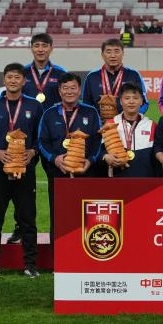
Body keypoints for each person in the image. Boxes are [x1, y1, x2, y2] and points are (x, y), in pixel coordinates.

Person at [0, 63, 44, 277]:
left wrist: (33, 151)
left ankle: (30, 265)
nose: (13, 80)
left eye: (17, 77)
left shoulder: (35, 106)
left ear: (24, 81)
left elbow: (42, 137)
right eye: (9, 77)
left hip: (25, 172)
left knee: (27, 219)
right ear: (4, 80)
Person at [38, 74, 102, 222]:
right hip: (58, 173)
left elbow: (98, 141)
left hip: (85, 172)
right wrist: (54, 159)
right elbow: (42, 141)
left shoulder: (91, 112)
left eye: (73, 88)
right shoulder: (49, 113)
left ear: (79, 90)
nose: (69, 92)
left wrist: (90, 161)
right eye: (65, 88)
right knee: (59, 217)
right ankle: (57, 239)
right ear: (59, 91)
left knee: (86, 217)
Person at [99, 82, 157, 178]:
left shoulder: (151, 125)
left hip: (145, 180)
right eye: (127, 98)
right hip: (118, 178)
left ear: (141, 101)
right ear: (121, 101)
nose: (131, 102)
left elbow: (157, 153)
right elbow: (99, 150)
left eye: (135, 98)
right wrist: (105, 156)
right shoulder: (110, 124)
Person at [83, 38, 149, 116]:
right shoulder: (92, 77)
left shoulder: (133, 74)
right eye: (108, 52)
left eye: (117, 51)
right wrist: (95, 120)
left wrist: (131, 117)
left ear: (123, 53)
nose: (113, 56)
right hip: (100, 123)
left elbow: (144, 103)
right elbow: (86, 105)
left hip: (127, 122)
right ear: (102, 55)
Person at [22, 32, 66, 111]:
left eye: (44, 46)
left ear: (51, 49)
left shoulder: (61, 73)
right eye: (36, 46)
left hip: (53, 117)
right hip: (28, 117)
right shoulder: (23, 72)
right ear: (31, 48)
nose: (40, 50)